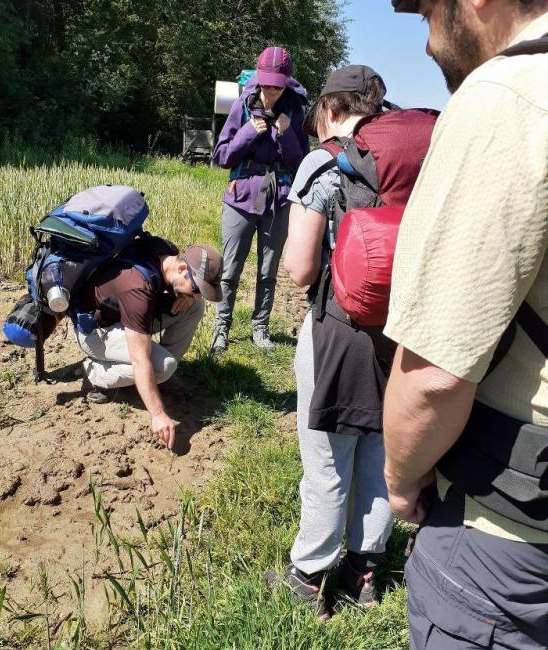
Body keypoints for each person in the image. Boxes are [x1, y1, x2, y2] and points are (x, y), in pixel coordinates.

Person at [384, 1, 548, 648]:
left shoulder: (507, 100)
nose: (425, 42)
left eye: (427, 9)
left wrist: (400, 481)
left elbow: (431, 377)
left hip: (507, 552)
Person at [272, 66, 396, 620]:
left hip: (338, 330)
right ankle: (365, 571)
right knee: (380, 452)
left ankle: (307, 575)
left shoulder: (324, 161)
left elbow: (299, 271)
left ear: (328, 107)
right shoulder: (405, 164)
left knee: (326, 458)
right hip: (401, 333)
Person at [75, 238, 223, 450]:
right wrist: (158, 414)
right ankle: (93, 373)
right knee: (162, 365)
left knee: (194, 308)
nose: (199, 296)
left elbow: (168, 297)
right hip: (95, 332)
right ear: (182, 268)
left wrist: (189, 297)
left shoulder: (166, 253)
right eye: (198, 289)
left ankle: (158, 380)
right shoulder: (138, 288)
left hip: (123, 316)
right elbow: (139, 359)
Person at [210, 46, 309, 354]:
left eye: (276, 86)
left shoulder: (295, 111)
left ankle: (260, 328)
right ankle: (221, 329)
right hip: (241, 197)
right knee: (230, 268)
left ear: (286, 82)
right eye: (265, 84)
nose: (269, 91)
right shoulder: (243, 103)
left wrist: (288, 135)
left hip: (278, 199)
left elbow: (302, 166)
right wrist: (247, 133)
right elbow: (222, 156)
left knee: (268, 270)